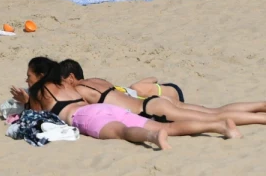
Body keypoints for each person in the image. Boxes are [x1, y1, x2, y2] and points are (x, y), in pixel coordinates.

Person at [13, 57, 239, 149]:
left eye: (29, 76)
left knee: (123, 132)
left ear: (40, 76)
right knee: (174, 123)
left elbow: (35, 116)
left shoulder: (39, 91)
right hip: (103, 108)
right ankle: (218, 126)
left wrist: (25, 101)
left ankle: (152, 137)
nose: (27, 80)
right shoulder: (68, 86)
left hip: (86, 117)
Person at [59, 60, 266, 130]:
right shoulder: (97, 81)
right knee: (214, 111)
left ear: (70, 78)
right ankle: (264, 104)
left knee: (214, 118)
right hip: (156, 102)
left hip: (151, 110)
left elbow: (68, 108)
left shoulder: (80, 90)